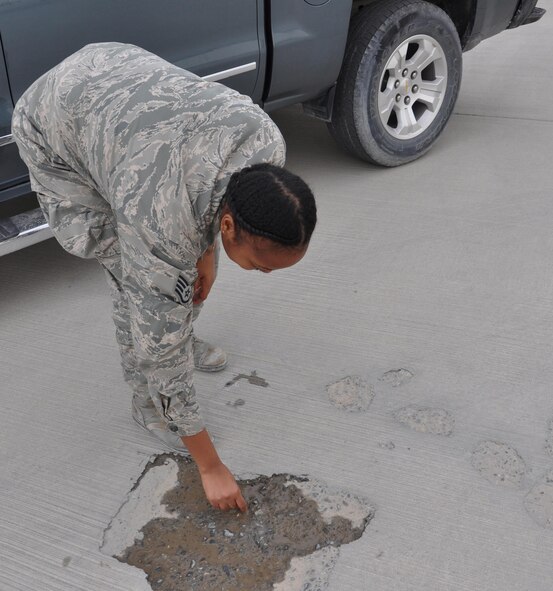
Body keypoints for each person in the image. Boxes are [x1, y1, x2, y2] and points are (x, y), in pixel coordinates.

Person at [12, 43, 317, 513]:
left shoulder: (265, 148)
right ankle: (144, 401)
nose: (263, 276)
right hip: (53, 125)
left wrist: (207, 258)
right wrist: (211, 466)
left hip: (118, 87)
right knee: (133, 280)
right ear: (232, 226)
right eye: (260, 266)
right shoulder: (159, 224)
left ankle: (178, 329)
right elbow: (162, 300)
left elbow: (210, 195)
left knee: (176, 282)